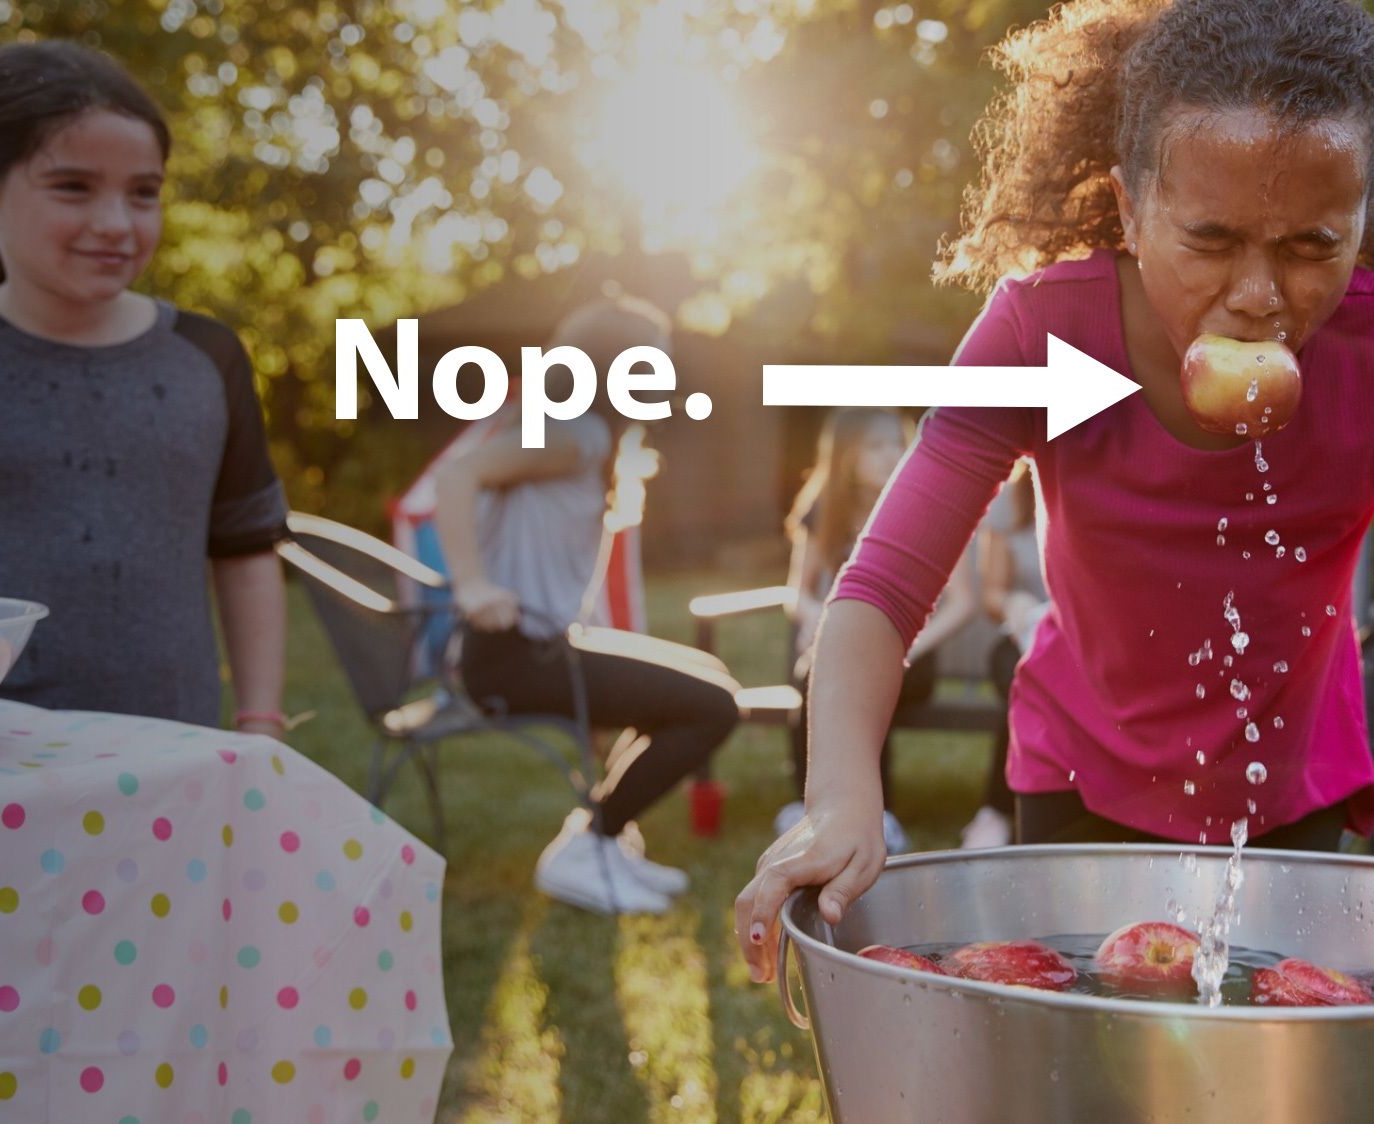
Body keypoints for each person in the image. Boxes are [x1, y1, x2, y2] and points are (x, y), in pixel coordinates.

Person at [736, 0, 1374, 977]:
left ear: (1367, 207)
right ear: (1131, 207)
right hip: (1078, 788)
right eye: (1210, 239)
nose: (1259, 292)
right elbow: (879, 589)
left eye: (1310, 245)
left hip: (1296, 800)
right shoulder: (1039, 329)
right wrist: (841, 790)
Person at [0, 42, 288, 737]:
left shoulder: (208, 357)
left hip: (170, 760)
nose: (116, 224)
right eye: (73, 186)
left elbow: (247, 554)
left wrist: (260, 724)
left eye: (143, 193)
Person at [434, 296, 740, 915]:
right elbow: (454, 475)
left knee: (704, 684)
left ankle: (599, 841)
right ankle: (590, 843)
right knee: (713, 707)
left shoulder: (583, 434)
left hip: (544, 646)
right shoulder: (576, 432)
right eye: (655, 359)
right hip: (513, 654)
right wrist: (470, 586)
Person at [777, 406, 978, 855]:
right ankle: (808, 807)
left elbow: (963, 602)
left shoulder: (931, 505)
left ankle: (874, 813)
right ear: (846, 455)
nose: (891, 453)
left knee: (858, 673)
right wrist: (812, 616)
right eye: (875, 444)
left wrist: (904, 646)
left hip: (910, 653)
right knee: (821, 665)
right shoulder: (823, 508)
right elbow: (798, 592)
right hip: (835, 647)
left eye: (896, 441)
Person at [959, 461, 1048, 849]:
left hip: (1085, 638)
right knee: (1025, 679)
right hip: (1022, 634)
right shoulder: (1011, 502)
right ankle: (997, 810)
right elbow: (992, 594)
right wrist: (1014, 602)